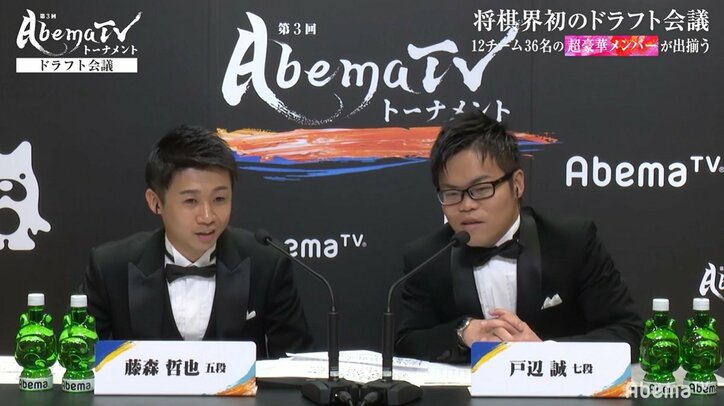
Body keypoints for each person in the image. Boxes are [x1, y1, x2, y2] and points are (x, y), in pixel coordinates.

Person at [395, 110, 642, 363]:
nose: (466, 205)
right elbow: (405, 345)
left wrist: (546, 352)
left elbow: (629, 334)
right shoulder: (426, 257)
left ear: (517, 184)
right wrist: (462, 333)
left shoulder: (572, 242)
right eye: (451, 194)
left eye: (481, 189)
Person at [81, 125, 313, 359]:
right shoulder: (110, 268)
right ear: (155, 202)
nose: (208, 216)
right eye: (191, 201)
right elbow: (79, 361)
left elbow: (295, 365)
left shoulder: (268, 264)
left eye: (219, 199)